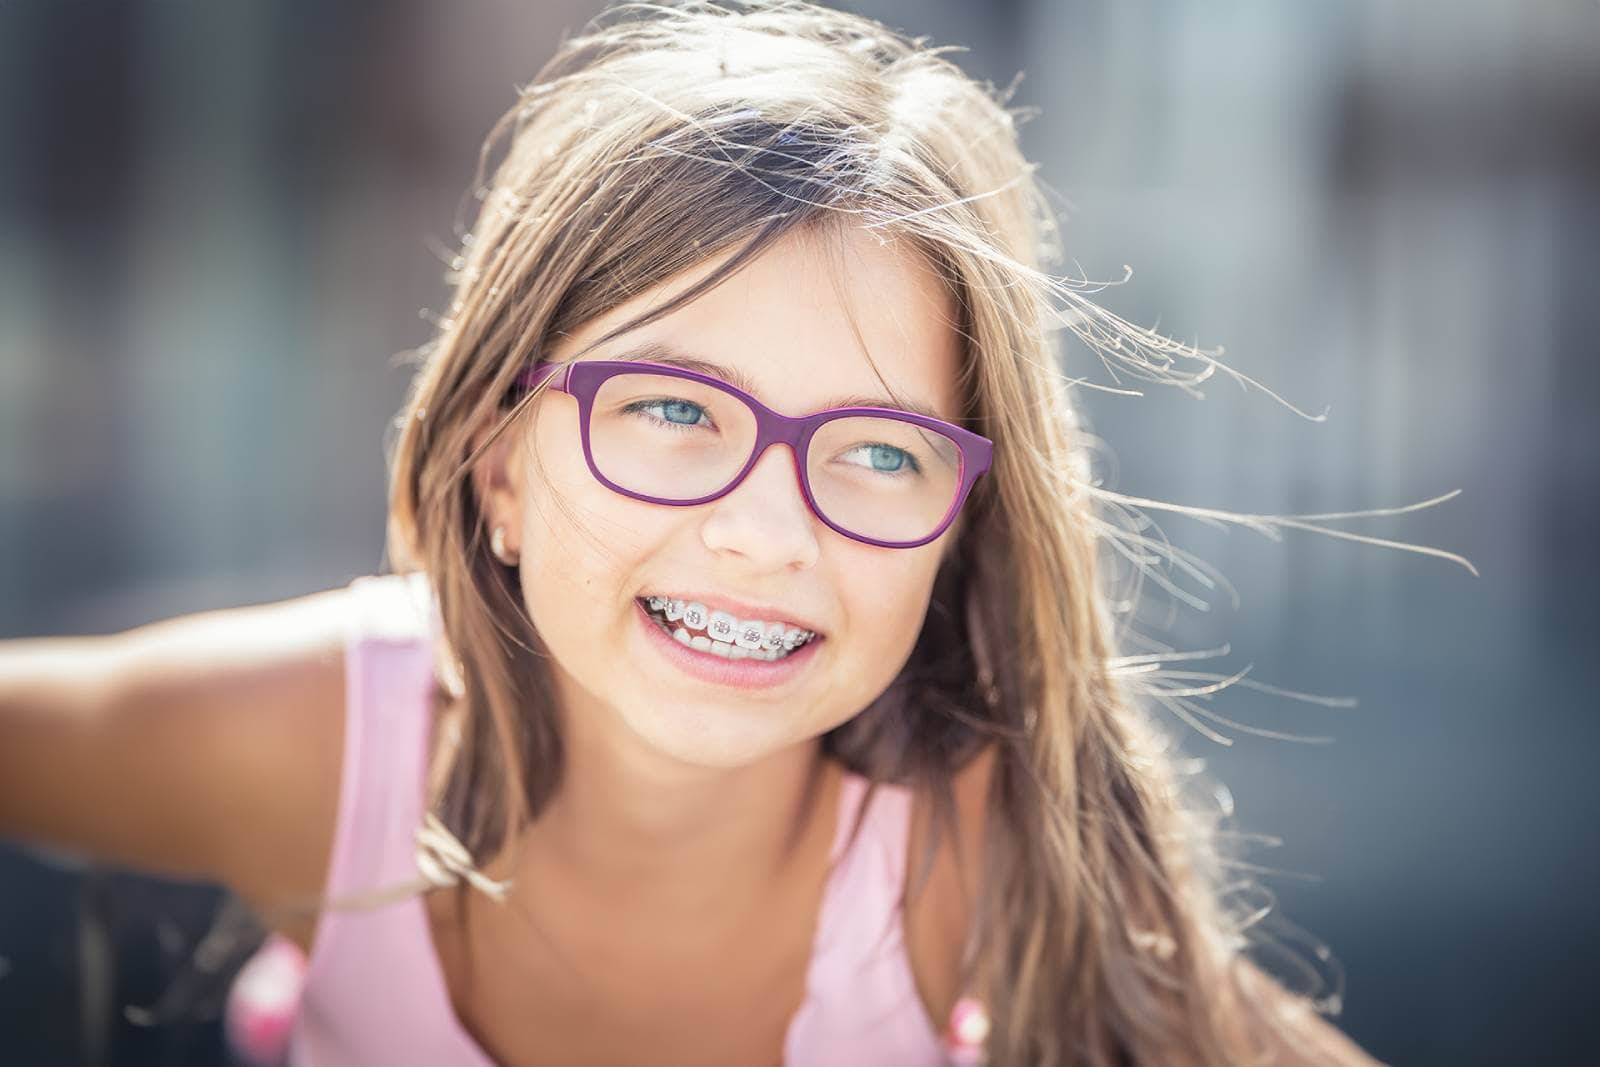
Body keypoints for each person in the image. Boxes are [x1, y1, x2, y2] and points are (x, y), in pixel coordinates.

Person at [0, 2, 1393, 1064]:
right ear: (496, 464)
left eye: (880, 449)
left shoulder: (971, 843)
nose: (764, 530)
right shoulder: (320, 744)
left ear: (960, 526)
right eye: (672, 411)